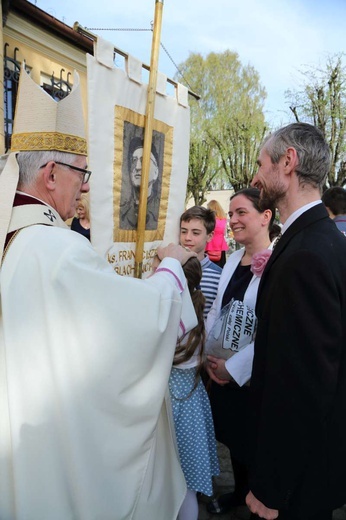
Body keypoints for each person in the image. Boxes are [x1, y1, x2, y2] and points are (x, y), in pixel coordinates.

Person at [0, 66, 198, 520]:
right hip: (55, 446)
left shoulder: (14, 239)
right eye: (80, 172)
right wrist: (171, 265)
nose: (86, 184)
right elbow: (135, 328)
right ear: (50, 174)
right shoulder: (56, 248)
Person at [247, 122, 346, 520]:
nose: (256, 176)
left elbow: (302, 387)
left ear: (288, 162)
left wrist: (272, 485)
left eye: (261, 163)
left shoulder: (306, 253)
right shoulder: (324, 241)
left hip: (297, 485)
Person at [205, 188, 278, 516]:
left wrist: (233, 368)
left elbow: (269, 330)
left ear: (266, 217)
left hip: (252, 375)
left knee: (253, 441)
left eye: (241, 213)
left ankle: (255, 497)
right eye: (230, 214)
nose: (232, 220)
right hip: (221, 368)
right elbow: (216, 312)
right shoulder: (233, 259)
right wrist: (210, 357)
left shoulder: (278, 264)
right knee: (233, 437)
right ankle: (239, 491)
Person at [168, 256, 219, 520]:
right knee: (187, 483)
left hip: (171, 405)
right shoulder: (195, 310)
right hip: (192, 405)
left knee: (175, 483)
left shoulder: (173, 316)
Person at [180, 206, 222, 319]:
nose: (187, 238)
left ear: (209, 236)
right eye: (183, 231)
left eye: (195, 233)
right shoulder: (173, 269)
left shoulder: (219, 277)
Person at [120, 136, 161, 230]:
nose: (137, 167)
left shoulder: (161, 214)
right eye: (134, 161)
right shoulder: (121, 212)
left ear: (156, 172)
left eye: (144, 161)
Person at [205, 199, 229, 268]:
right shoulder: (224, 220)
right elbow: (224, 233)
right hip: (220, 246)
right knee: (221, 267)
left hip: (209, 245)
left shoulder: (209, 220)